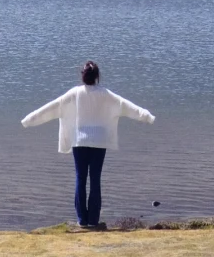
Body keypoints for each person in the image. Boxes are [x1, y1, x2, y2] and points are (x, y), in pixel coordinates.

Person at [20, 60, 155, 229]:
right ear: (97, 77)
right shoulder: (105, 94)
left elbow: (51, 108)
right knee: (95, 179)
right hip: (99, 141)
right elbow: (126, 106)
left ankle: (82, 220)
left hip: (80, 142)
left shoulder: (75, 93)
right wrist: (147, 116)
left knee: (80, 178)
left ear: (82, 76)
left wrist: (28, 120)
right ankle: (93, 220)